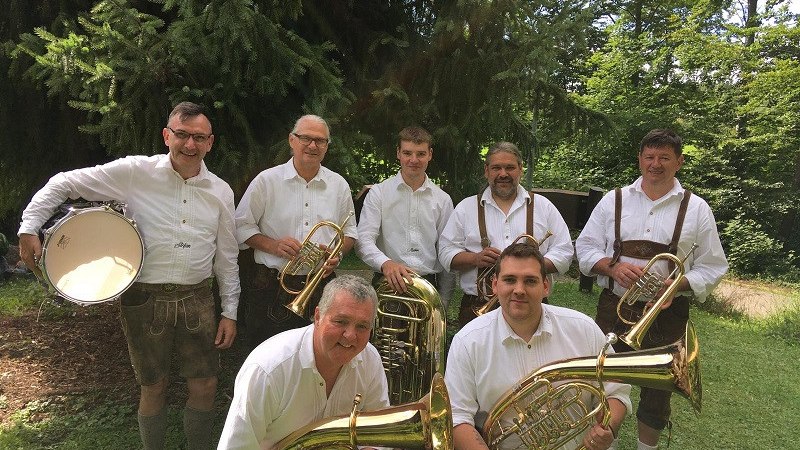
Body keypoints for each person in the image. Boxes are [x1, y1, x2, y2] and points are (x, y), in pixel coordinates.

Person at [17, 102, 240, 450]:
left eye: (199, 137)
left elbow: (227, 256)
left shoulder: (221, 191)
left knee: (206, 383)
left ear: (210, 143)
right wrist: (29, 227)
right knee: (153, 386)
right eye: (182, 135)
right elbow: (63, 183)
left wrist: (230, 310)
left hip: (198, 298)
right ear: (167, 136)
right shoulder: (136, 172)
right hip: (143, 298)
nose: (190, 145)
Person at [575, 129, 728, 450]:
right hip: (615, 308)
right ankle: (605, 445)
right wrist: (612, 267)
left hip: (667, 315)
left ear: (679, 162)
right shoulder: (613, 200)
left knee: (658, 393)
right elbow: (585, 247)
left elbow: (714, 266)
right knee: (603, 383)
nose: (655, 164)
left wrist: (678, 284)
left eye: (664, 158)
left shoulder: (697, 208)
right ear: (640, 159)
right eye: (649, 157)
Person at [445, 242, 631, 450]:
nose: (519, 290)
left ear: (545, 286)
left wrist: (608, 428)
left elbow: (617, 391)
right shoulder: (468, 341)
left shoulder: (584, 329)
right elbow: (457, 417)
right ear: (495, 285)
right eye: (509, 280)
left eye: (530, 281)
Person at [217, 274, 389, 449]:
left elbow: (379, 430)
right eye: (340, 321)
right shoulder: (268, 369)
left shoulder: (370, 359)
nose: (351, 335)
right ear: (317, 316)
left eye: (362, 326)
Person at [235, 114, 358, 350]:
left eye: (320, 141)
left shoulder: (338, 184)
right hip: (271, 288)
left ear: (326, 146)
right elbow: (240, 226)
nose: (313, 145)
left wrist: (336, 254)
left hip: (320, 286)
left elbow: (350, 232)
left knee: (320, 354)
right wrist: (273, 245)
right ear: (292, 140)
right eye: (306, 138)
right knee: (269, 356)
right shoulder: (267, 181)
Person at [438, 141, 574, 327]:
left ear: (520, 169)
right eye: (496, 168)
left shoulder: (543, 207)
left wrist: (531, 266)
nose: (503, 174)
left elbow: (565, 252)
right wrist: (475, 259)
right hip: (477, 307)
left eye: (510, 167)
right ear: (487, 171)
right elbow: (445, 252)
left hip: (532, 305)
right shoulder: (465, 208)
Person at [356, 126, 454, 301]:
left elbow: (447, 250)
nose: (413, 160)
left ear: (430, 154)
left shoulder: (443, 200)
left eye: (421, 154)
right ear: (398, 153)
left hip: (428, 288)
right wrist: (386, 263)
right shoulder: (379, 193)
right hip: (386, 283)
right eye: (407, 153)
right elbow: (363, 240)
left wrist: (443, 303)